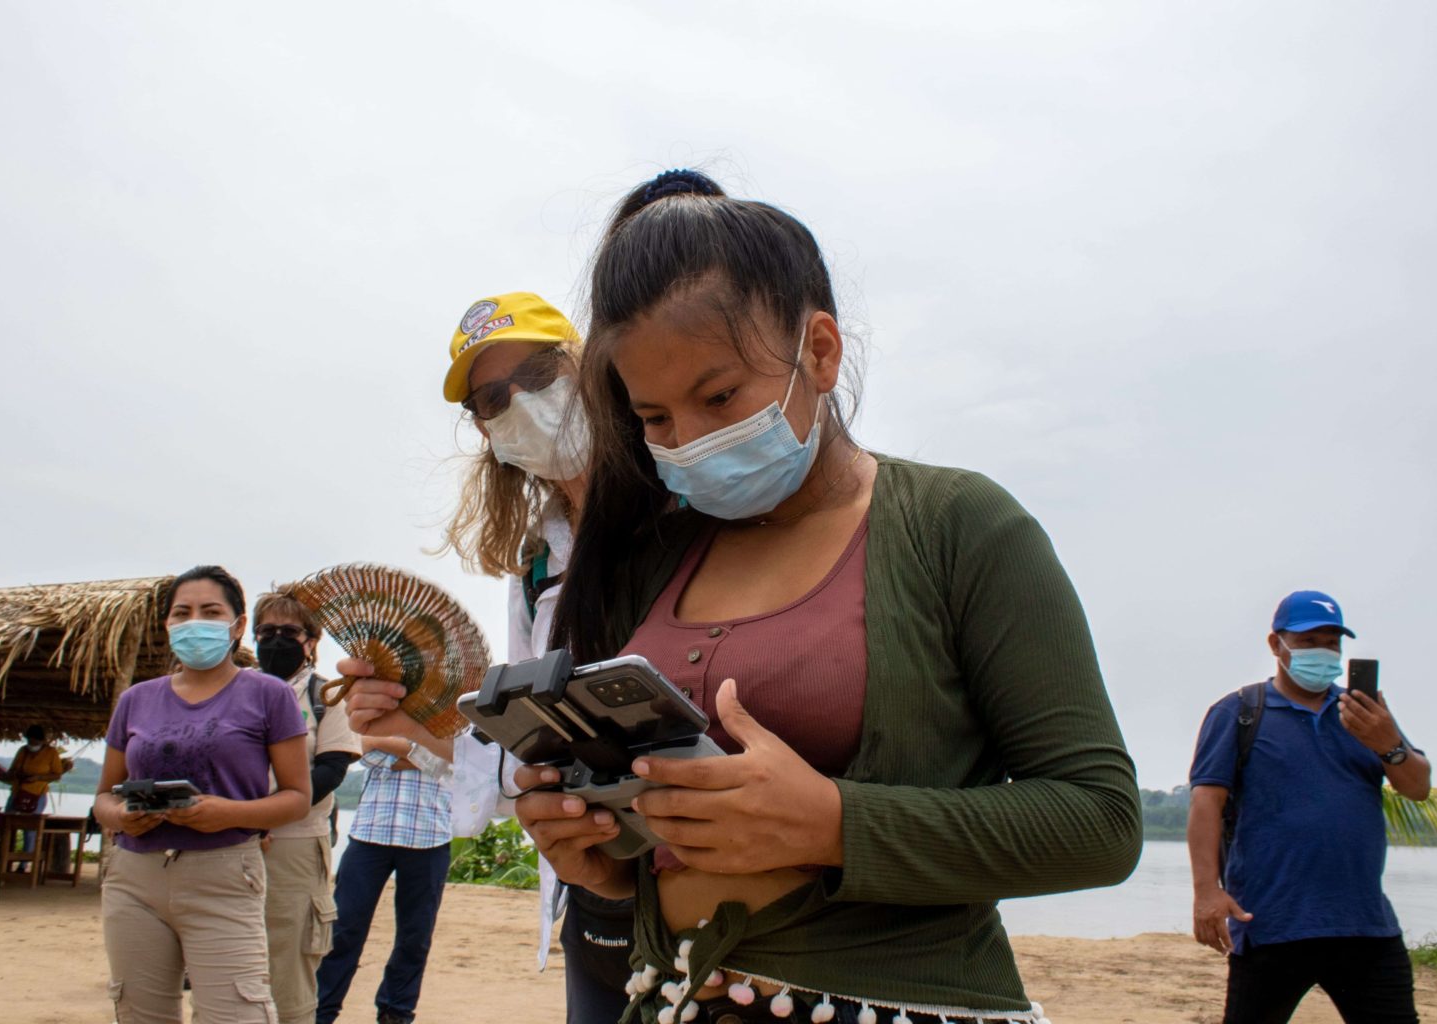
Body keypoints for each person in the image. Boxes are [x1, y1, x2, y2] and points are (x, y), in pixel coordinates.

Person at [351, 170, 1142, 1024]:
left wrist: (834, 823)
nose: (691, 440)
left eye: (720, 396)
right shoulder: (650, 560)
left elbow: (1099, 821)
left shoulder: (956, 525)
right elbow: (642, 828)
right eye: (655, 419)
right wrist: (598, 852)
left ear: (822, 351)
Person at [343, 290, 638, 1023]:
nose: (521, 404)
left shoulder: (678, 509)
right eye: (491, 399)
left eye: (541, 373)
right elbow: (523, 759)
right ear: (485, 433)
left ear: (589, 368)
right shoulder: (536, 562)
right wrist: (417, 726)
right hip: (594, 885)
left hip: (710, 880)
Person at [1187, 590, 1431, 1024]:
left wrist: (1387, 744)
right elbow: (1207, 802)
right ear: (1275, 644)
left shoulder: (1365, 713)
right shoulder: (1240, 712)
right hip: (1272, 925)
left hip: (1365, 927)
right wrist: (1207, 892)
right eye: (1308, 641)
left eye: (1331, 642)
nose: (1323, 652)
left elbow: (1417, 787)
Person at [95, 564, 311, 1024]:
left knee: (237, 1013)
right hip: (133, 877)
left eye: (210, 611)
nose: (195, 622)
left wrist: (226, 813)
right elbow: (103, 798)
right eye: (182, 612)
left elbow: (296, 798)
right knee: (139, 1013)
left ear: (236, 625)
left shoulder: (269, 695)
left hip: (225, 875)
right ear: (168, 625)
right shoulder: (135, 699)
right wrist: (121, 817)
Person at [254, 589, 362, 1024]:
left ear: (312, 641)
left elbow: (332, 770)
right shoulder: (240, 689)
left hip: (294, 845)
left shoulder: (326, 695)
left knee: (288, 967)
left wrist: (263, 813)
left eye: (289, 631)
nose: (276, 640)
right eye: (267, 631)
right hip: (231, 842)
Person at [314, 731, 457, 1024]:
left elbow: (453, 759)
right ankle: (321, 1011)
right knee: (344, 928)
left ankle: (396, 1013)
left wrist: (383, 743)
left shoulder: (450, 717)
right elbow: (361, 749)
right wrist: (423, 754)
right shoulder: (379, 709)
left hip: (429, 834)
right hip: (371, 831)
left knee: (415, 936)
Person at [7, 724, 67, 814]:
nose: (32, 745)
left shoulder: (51, 753)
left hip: (37, 795)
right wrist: (18, 775)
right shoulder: (23, 750)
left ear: (42, 741)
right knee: (8, 821)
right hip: (17, 793)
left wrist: (37, 778)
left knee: (31, 825)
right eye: (30, 742)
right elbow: (11, 771)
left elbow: (57, 775)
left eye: (35, 743)